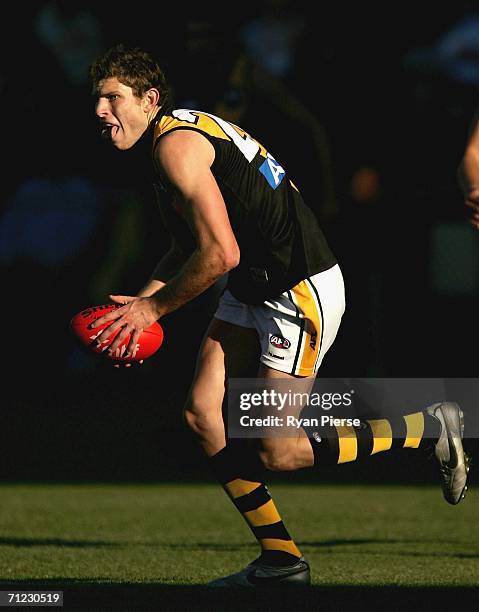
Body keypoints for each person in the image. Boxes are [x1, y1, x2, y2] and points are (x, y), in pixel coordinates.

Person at [88, 44, 470, 588]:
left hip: (296, 289)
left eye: (111, 98)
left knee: (279, 451)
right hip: (255, 286)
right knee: (202, 412)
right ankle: (280, 559)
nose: (101, 111)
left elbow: (220, 254)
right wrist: (140, 309)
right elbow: (184, 249)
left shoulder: (174, 146)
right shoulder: (169, 141)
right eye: (96, 100)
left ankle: (427, 425)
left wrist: (153, 308)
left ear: (149, 100)